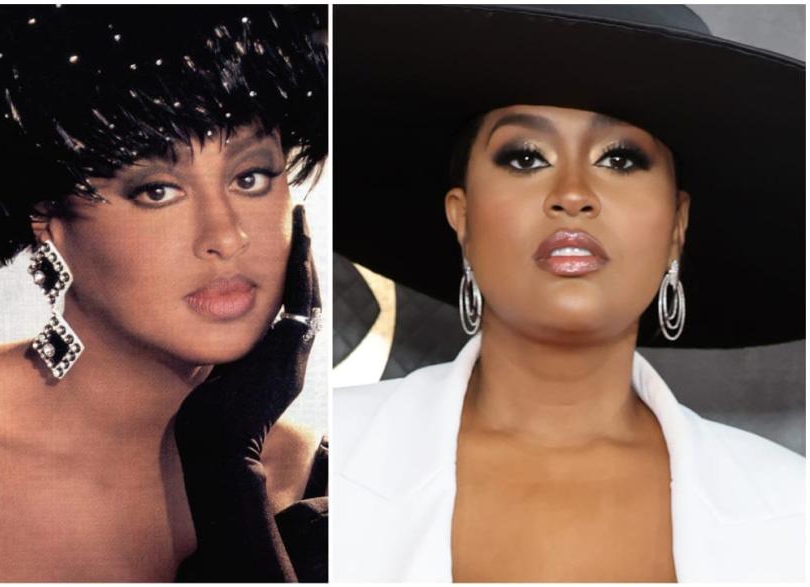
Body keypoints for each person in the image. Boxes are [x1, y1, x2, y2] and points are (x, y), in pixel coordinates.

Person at [332, 5, 804, 582]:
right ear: (462, 216)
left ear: (676, 227)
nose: (574, 194)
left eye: (621, 159)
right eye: (527, 158)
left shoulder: (789, 512)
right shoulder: (320, 466)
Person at [0, 5, 327, 582]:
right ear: (46, 217)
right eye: (156, 190)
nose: (226, 236)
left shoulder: (317, 473)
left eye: (250, 177)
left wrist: (225, 471)